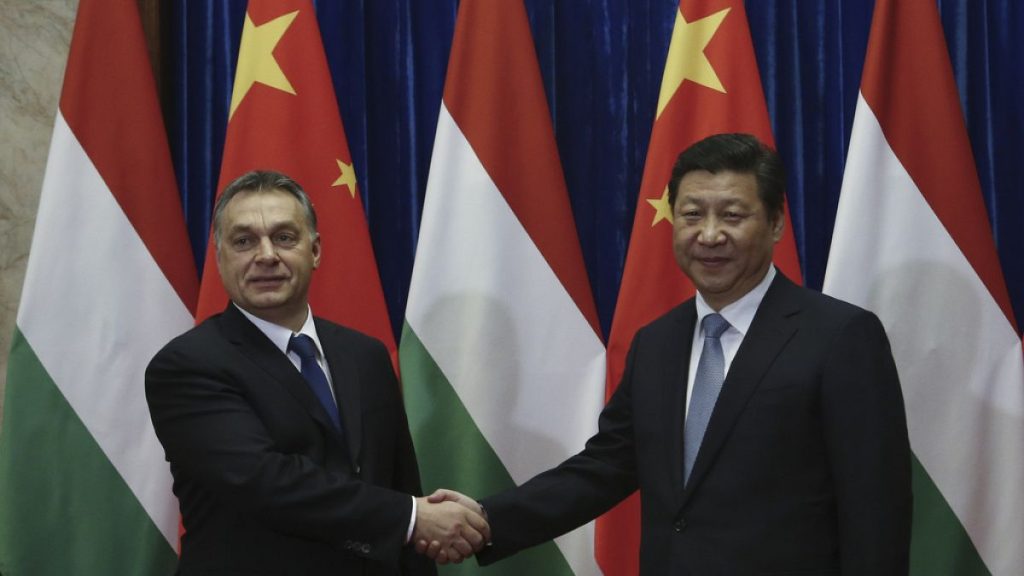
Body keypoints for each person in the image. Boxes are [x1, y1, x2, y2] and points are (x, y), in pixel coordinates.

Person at [425, 133, 912, 574]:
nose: (710, 235)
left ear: (776, 222)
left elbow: (875, 510)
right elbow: (605, 468)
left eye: (733, 215)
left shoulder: (839, 336)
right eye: (692, 214)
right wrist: (488, 520)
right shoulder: (657, 343)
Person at [146, 170, 488, 575]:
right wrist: (412, 517)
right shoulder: (187, 365)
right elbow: (265, 482)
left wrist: (413, 522)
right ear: (220, 257)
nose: (266, 255)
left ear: (315, 250)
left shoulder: (366, 355)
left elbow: (398, 482)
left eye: (285, 237)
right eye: (243, 241)